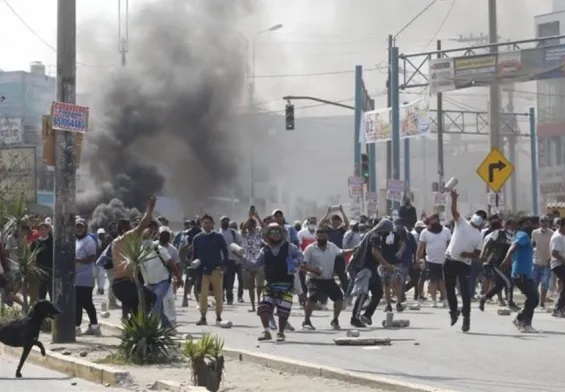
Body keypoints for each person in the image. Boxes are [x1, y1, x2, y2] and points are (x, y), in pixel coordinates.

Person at [239, 223, 303, 342]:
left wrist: (295, 262)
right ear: (268, 235)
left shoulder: (289, 247)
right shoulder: (265, 250)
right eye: (273, 232)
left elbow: (300, 256)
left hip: (286, 284)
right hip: (270, 284)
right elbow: (255, 265)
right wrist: (242, 259)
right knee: (263, 307)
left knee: (283, 311)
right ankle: (266, 331)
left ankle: (281, 332)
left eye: (278, 232)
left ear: (282, 234)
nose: (275, 234)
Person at [444, 189, 485, 332]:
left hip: (464, 264)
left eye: (481, 218)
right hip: (450, 260)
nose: (478, 218)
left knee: (465, 293)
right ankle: (454, 311)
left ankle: (466, 319)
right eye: (478, 215)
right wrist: (454, 198)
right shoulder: (462, 223)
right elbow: (454, 212)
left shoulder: (479, 236)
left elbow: (478, 253)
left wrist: (467, 254)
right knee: (449, 288)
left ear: (482, 223)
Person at [111, 197, 158, 318]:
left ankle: (134, 331)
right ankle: (138, 327)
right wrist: (150, 209)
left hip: (126, 283)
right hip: (123, 284)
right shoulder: (122, 240)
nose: (133, 228)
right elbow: (142, 226)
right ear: (125, 229)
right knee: (150, 298)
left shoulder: (122, 243)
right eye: (131, 226)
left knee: (138, 307)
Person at [349, 219, 396, 327]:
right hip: (366, 268)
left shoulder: (371, 235)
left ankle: (367, 315)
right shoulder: (375, 236)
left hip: (372, 269)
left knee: (378, 292)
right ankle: (355, 318)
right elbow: (375, 252)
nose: (388, 233)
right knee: (363, 294)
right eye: (388, 230)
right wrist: (386, 265)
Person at [302, 227, 351, 330]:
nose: (321, 238)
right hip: (314, 278)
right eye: (319, 236)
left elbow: (341, 252)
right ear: (316, 237)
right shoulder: (310, 248)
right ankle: (306, 320)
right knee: (313, 297)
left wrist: (353, 250)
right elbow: (303, 264)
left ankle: (335, 320)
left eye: (324, 236)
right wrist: (314, 270)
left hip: (328, 279)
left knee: (339, 298)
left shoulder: (332, 246)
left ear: (327, 237)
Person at [501, 218, 539, 333]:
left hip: (525, 274)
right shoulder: (523, 235)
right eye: (528, 223)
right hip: (520, 273)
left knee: (533, 298)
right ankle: (522, 321)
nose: (531, 225)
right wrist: (507, 259)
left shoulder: (523, 236)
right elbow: (514, 247)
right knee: (533, 297)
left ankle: (524, 321)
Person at [193, 215, 229, 326]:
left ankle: (218, 317)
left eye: (209, 222)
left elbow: (225, 252)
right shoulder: (197, 238)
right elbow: (195, 255)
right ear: (201, 224)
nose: (207, 225)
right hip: (203, 271)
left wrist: (224, 265)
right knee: (203, 296)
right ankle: (203, 317)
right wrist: (195, 268)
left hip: (216, 270)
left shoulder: (218, 237)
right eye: (205, 222)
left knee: (218, 295)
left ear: (213, 224)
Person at [479, 219, 518, 312]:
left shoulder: (513, 236)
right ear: (507, 225)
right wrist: (483, 253)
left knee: (499, 285)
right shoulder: (498, 233)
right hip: (495, 262)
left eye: (514, 225)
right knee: (509, 282)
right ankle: (510, 302)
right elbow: (488, 243)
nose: (513, 227)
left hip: (507, 263)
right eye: (511, 225)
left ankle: (484, 298)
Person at [417, 214, 451, 308]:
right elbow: (421, 247)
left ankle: (444, 299)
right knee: (433, 281)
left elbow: (450, 245)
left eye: (435, 220)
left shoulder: (446, 231)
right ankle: (434, 300)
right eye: (431, 220)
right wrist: (417, 258)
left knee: (442, 281)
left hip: (444, 260)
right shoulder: (425, 232)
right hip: (431, 260)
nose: (434, 222)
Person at [74, 218, 101, 336]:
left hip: (86, 276)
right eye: (77, 226)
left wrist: (76, 260)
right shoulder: (76, 241)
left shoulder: (89, 241)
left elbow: (91, 258)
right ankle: (76, 326)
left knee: (87, 302)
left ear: (85, 228)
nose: (79, 229)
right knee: (77, 303)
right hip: (76, 278)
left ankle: (95, 326)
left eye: (81, 226)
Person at [241, 212, 265, 312]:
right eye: (249, 224)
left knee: (260, 285)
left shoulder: (258, 233)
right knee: (251, 286)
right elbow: (243, 228)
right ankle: (253, 306)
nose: (251, 225)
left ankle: (259, 302)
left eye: (252, 224)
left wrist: (257, 217)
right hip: (248, 262)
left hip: (258, 261)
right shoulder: (244, 234)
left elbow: (264, 227)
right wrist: (250, 218)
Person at [218, 216, 243, 305]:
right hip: (220, 260)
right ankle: (221, 297)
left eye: (226, 221)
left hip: (231, 260)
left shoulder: (233, 233)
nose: (225, 222)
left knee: (230, 280)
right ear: (220, 222)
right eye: (223, 221)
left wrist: (238, 251)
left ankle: (230, 297)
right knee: (221, 280)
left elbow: (240, 243)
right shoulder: (217, 233)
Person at [532, 215, 554, 308]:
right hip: (536, 261)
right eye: (542, 221)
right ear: (539, 223)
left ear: (549, 223)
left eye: (546, 221)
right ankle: (534, 301)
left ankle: (542, 302)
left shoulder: (552, 233)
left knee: (545, 283)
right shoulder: (534, 232)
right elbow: (533, 244)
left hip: (547, 262)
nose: (544, 223)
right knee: (534, 283)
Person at [31, 222, 54, 301]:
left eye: (45, 229)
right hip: (40, 271)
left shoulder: (52, 241)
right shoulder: (35, 242)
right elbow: (32, 256)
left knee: (52, 292)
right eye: (41, 229)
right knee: (41, 293)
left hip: (51, 270)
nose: (43, 231)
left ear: (48, 230)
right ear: (38, 231)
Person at [549, 219, 565, 318]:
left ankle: (559, 307)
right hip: (557, 264)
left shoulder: (562, 235)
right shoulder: (557, 237)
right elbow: (554, 253)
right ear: (563, 226)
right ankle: (558, 308)